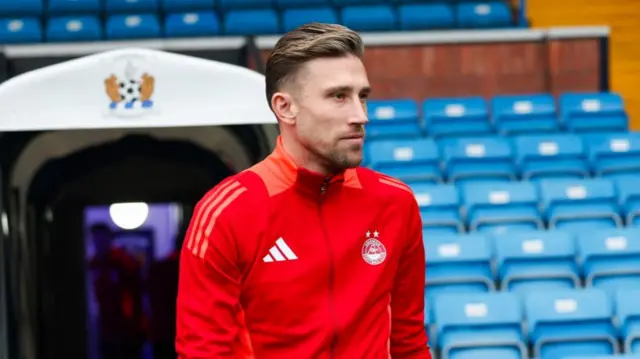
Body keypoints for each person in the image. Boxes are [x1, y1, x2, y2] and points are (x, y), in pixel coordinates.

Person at [176, 22, 430, 358]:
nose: (360, 115)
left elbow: (408, 342)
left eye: (362, 97)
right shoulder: (226, 212)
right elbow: (203, 352)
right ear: (285, 107)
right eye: (339, 96)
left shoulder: (395, 202)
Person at [88, 223, 145, 359]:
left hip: (127, 329)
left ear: (109, 239)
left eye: (102, 238)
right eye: (96, 239)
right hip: (105, 328)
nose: (99, 243)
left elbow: (136, 294)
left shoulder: (123, 261)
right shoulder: (93, 265)